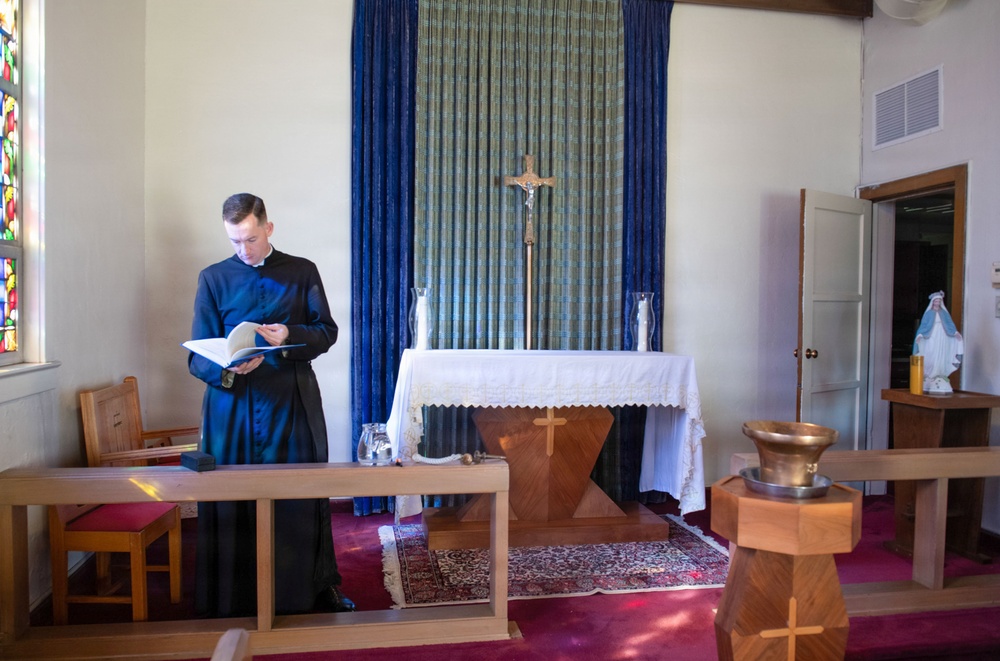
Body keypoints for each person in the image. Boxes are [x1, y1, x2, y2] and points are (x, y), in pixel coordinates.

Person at [188, 193, 354, 616]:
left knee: (298, 497)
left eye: (250, 239)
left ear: (268, 228)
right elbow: (196, 357)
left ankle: (310, 591)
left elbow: (327, 331)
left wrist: (291, 334)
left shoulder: (302, 271)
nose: (243, 251)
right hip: (233, 410)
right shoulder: (212, 278)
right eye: (234, 242)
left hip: (290, 404)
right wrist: (228, 370)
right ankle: (230, 599)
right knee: (233, 500)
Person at [913, 290, 964, 394]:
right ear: (933, 302)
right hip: (931, 337)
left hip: (942, 337)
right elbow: (923, 326)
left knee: (941, 354)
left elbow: (949, 325)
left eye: (939, 301)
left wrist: (955, 333)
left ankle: (940, 373)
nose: (937, 303)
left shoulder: (944, 313)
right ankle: (930, 375)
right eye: (936, 301)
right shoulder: (929, 313)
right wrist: (920, 335)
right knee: (931, 353)